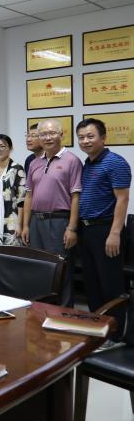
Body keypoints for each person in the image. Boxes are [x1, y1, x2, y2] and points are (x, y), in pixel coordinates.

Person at [76, 118, 131, 330]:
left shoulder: (115, 162)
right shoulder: (88, 163)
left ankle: (117, 333)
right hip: (87, 229)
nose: (85, 141)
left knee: (110, 284)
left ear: (103, 138)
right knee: (92, 283)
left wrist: (115, 233)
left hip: (106, 229)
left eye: (90, 136)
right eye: (81, 137)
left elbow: (122, 199)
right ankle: (97, 328)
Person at [21, 118, 82, 306]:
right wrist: (25, 225)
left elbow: (76, 197)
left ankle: (63, 313)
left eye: (52, 133)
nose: (48, 137)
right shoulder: (34, 163)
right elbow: (29, 195)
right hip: (36, 221)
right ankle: (41, 311)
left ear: (61, 134)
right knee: (38, 267)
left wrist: (72, 228)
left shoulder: (72, 160)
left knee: (61, 269)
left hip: (59, 221)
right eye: (43, 134)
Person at [0, 134, 26, 246]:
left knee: (10, 252)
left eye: (2, 146)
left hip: (11, 220)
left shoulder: (17, 169)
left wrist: (19, 224)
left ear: (10, 148)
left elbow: (22, 200)